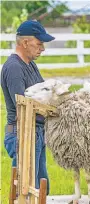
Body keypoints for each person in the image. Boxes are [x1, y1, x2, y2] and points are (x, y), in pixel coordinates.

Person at [1, 20, 55, 195]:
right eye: (39, 44)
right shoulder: (14, 68)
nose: (43, 49)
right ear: (25, 43)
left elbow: (42, 92)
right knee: (26, 192)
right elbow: (23, 107)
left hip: (35, 132)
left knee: (40, 190)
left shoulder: (30, 64)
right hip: (22, 133)